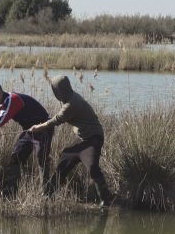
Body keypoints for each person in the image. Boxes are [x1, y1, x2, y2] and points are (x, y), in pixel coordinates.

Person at [29, 75, 113, 206]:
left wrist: (39, 127)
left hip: (93, 139)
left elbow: (57, 120)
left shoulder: (72, 103)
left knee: (92, 167)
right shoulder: (68, 97)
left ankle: (105, 200)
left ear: (59, 90)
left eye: (55, 90)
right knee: (64, 161)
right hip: (83, 140)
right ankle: (47, 195)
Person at [0, 82, 53, 196]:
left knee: (42, 160)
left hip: (42, 129)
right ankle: (10, 190)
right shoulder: (4, 102)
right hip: (28, 130)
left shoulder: (12, 100)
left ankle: (46, 192)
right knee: (17, 156)